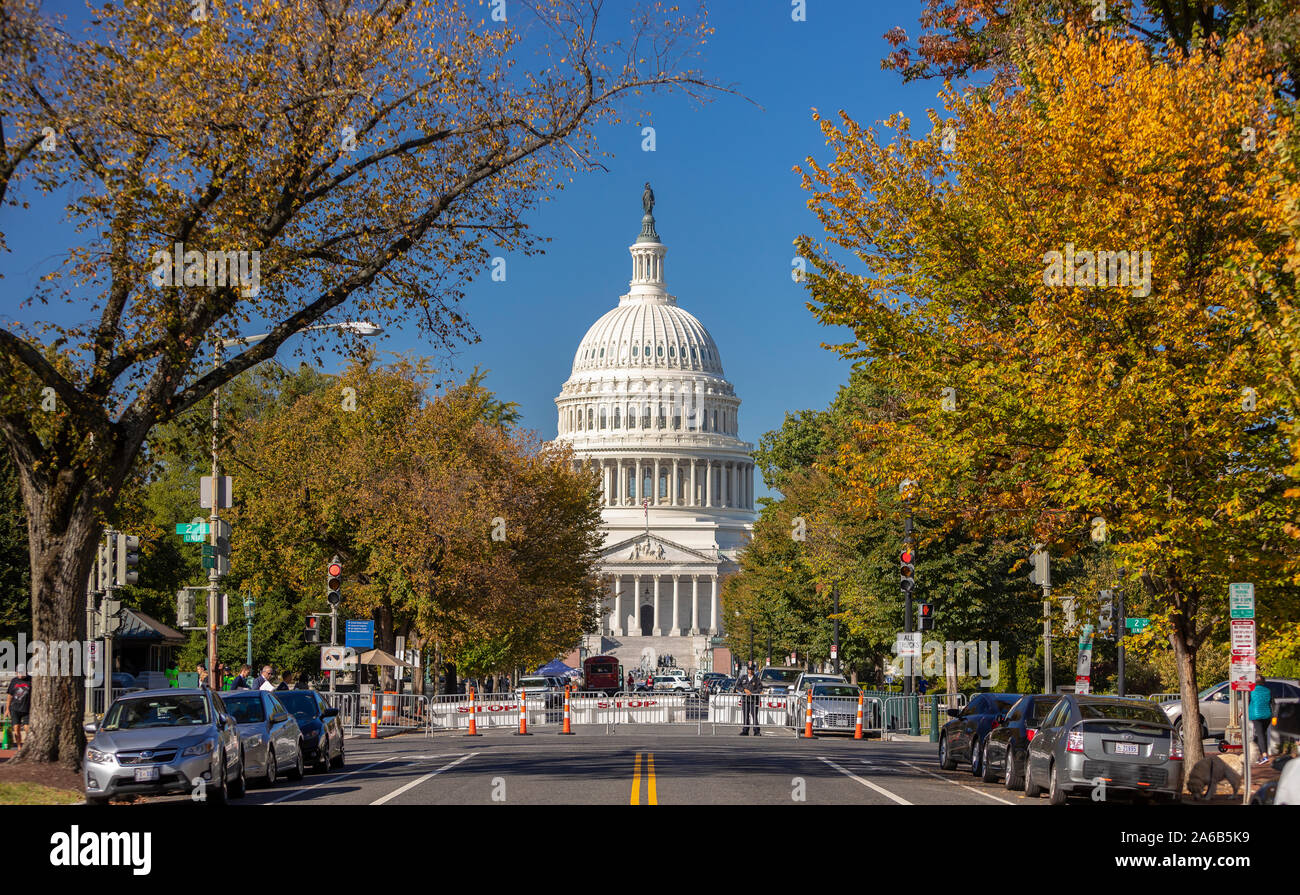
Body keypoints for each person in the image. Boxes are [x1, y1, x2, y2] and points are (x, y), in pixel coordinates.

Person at [1249, 674, 1273, 764]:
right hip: (1267, 715)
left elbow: (1247, 702)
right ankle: (1257, 755)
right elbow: (1272, 702)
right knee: (1261, 734)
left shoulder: (1251, 691)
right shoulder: (1268, 691)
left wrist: (1243, 712)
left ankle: (1264, 756)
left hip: (1256, 715)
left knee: (1260, 734)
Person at [5, 665, 32, 748]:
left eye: (22, 673)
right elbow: (10, 695)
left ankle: (29, 746)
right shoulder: (14, 681)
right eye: (18, 673)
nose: (20, 675)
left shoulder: (31, 680)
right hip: (15, 709)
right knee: (16, 729)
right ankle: (19, 747)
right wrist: (7, 709)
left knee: (28, 729)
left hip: (27, 709)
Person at [739, 662, 761, 735]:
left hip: (754, 700)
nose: (750, 671)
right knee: (745, 715)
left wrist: (752, 692)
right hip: (745, 700)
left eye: (751, 669)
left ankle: (756, 731)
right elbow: (738, 686)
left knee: (754, 715)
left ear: (753, 670)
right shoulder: (743, 678)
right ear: (747, 670)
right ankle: (745, 730)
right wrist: (744, 690)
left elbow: (760, 689)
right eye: (749, 669)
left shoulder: (756, 679)